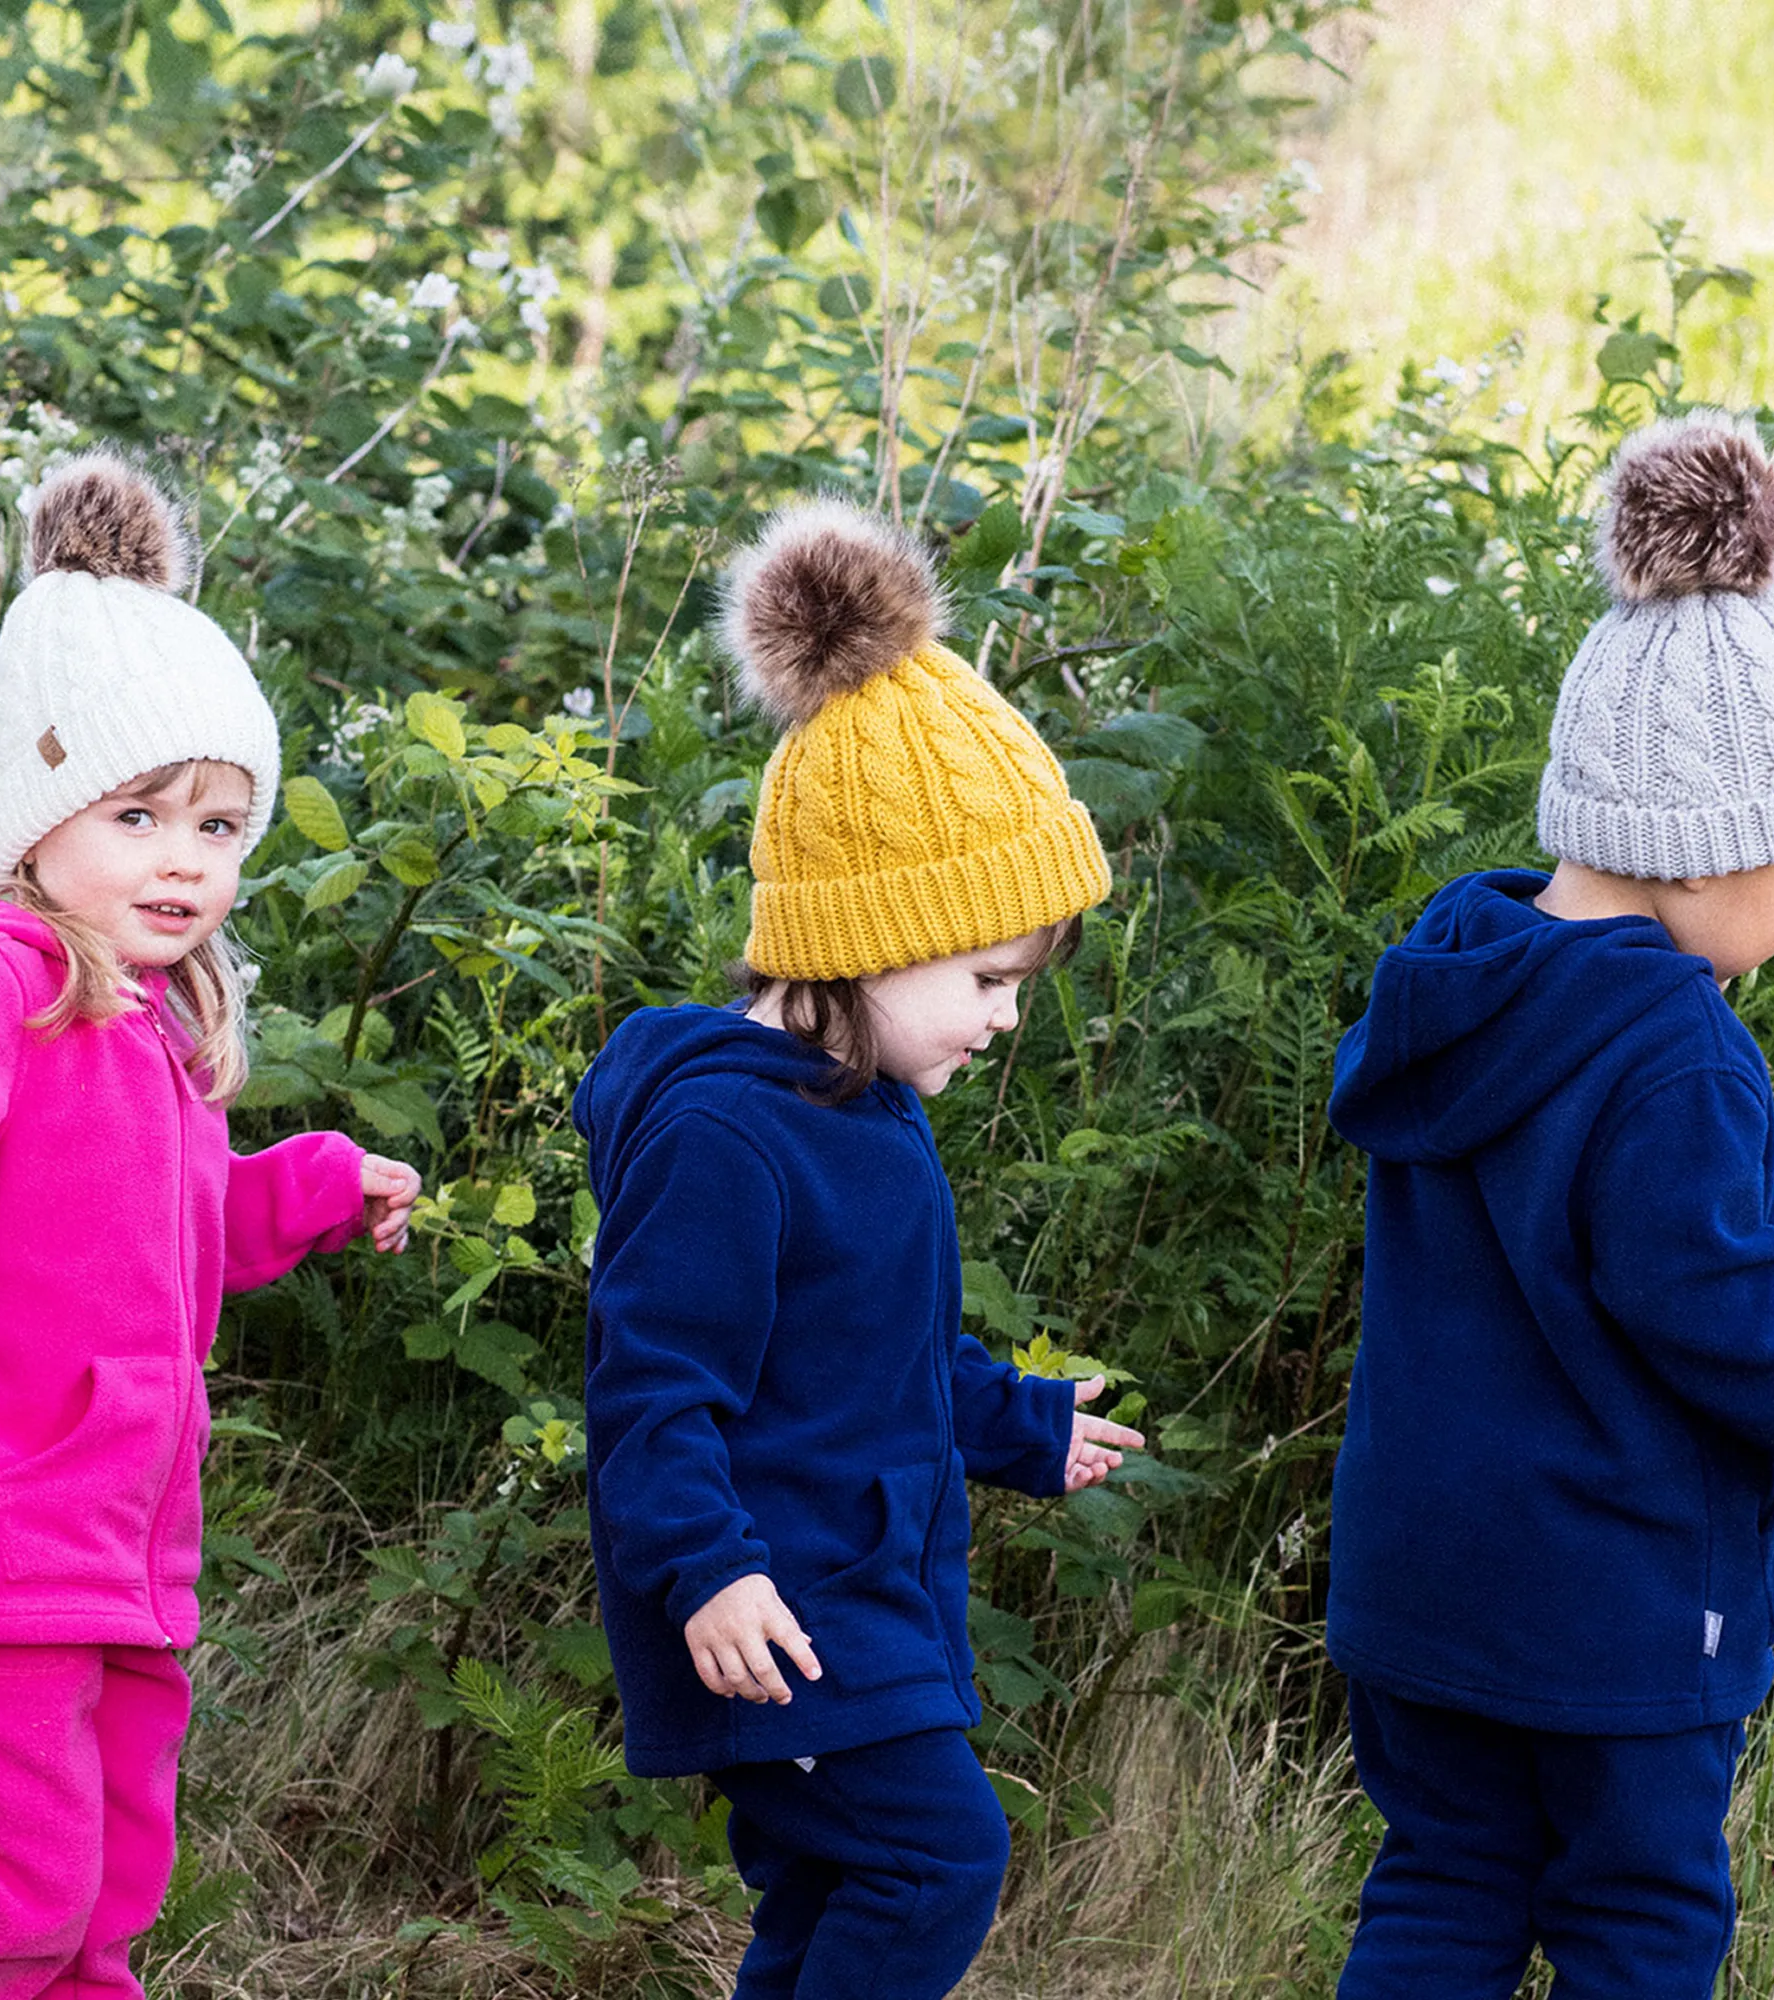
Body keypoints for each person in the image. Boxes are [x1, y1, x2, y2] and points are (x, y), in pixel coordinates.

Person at [0, 453, 420, 2000]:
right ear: (43, 819)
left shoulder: (157, 1031)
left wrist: (316, 1186)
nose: (185, 857)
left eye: (219, 822)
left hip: (118, 1539)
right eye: (138, 815)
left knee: (106, 1899)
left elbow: (167, 1237)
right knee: (14, 1895)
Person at [1323, 408, 1774, 1998]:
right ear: (1706, 850)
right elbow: (1712, 1311)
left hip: (1418, 1577)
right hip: (1610, 1608)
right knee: (1637, 1915)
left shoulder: (1453, 983)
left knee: (1443, 1882)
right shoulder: (1672, 1047)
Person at [577, 497, 1147, 1998]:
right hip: (773, 1603)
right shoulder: (726, 1139)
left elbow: (875, 1352)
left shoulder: (866, 1107)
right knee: (932, 1855)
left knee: (829, 1897)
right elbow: (650, 1390)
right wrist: (705, 1571)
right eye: (981, 973)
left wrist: (1017, 1423)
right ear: (858, 935)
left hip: (864, 1589)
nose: (1004, 1015)